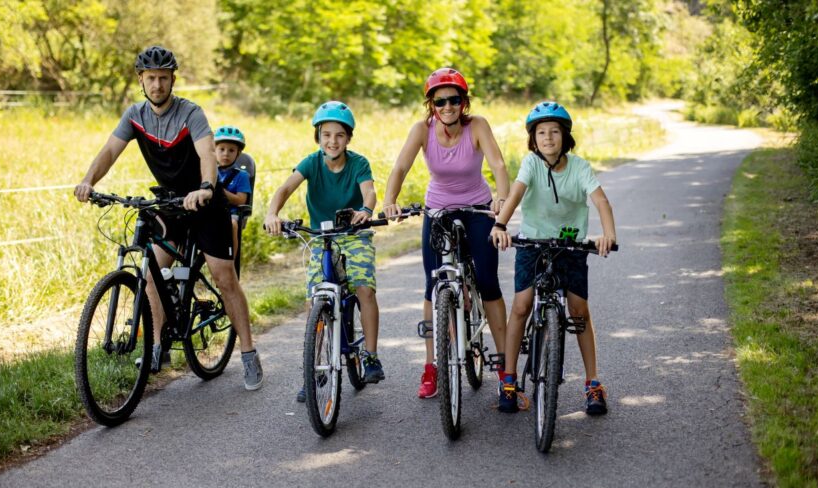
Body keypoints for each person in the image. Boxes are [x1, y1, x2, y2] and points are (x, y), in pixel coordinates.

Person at [73, 46, 263, 391]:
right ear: (141, 80)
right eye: (151, 78)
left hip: (206, 203)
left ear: (173, 79)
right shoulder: (134, 115)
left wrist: (206, 186)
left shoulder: (190, 113)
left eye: (163, 78)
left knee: (223, 277)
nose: (157, 85)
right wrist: (89, 181)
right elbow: (110, 151)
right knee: (150, 273)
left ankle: (249, 353)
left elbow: (207, 153)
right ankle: (157, 347)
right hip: (171, 203)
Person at [382, 68, 510, 399]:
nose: (448, 106)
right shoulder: (422, 130)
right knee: (433, 285)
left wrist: (501, 198)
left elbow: (498, 165)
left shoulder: (477, 125)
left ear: (464, 102)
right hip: (438, 210)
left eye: (454, 100)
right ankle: (431, 368)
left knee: (488, 282)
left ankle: (505, 369)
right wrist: (390, 200)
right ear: (432, 105)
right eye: (440, 101)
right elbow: (400, 167)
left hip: (477, 208)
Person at [490, 101, 616, 414]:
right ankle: (509, 381)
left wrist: (608, 234)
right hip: (533, 242)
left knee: (579, 310)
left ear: (565, 137)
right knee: (521, 305)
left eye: (554, 132)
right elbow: (516, 194)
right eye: (541, 133)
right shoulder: (531, 164)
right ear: (533, 139)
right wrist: (500, 225)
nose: (548, 138)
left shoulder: (580, 167)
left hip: (570, 245)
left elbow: (601, 201)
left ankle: (593, 383)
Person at [263, 101, 384, 402]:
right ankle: (313, 369)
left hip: (354, 234)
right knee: (313, 299)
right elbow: (284, 189)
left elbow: (369, 190)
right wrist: (272, 213)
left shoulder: (358, 163)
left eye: (339, 135)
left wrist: (366, 210)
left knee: (364, 288)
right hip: (321, 237)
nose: (332, 141)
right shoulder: (311, 163)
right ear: (317, 136)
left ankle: (370, 356)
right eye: (326, 134)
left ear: (348, 138)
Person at [214, 125, 253, 259]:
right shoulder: (208, 171)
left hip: (231, 213)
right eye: (222, 149)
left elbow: (241, 200)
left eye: (231, 150)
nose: (226, 153)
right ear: (214, 150)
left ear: (238, 153)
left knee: (232, 225)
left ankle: (231, 261)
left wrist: (220, 191)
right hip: (209, 211)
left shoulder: (241, 176)